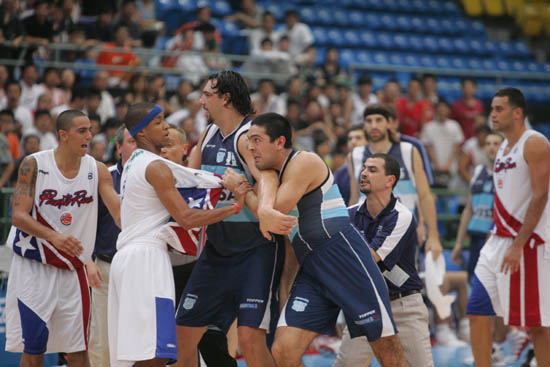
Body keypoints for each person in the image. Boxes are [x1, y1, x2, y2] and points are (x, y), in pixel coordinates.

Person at [224, 112, 406, 367]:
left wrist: (242, 189)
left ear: (279, 142)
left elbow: (274, 215)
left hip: (344, 257)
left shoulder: (304, 161)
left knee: (387, 351)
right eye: (248, 142)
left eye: (256, 140)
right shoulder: (273, 174)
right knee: (284, 351)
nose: (250, 147)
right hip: (312, 266)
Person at [107, 101, 250, 367]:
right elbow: (186, 217)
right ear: (141, 132)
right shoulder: (155, 166)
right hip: (145, 258)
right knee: (159, 352)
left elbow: (189, 178)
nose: (165, 126)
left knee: (146, 352)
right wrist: (234, 206)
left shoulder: (133, 164)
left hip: (129, 257)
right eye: (158, 122)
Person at [175, 71, 295, 367]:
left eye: (206, 95)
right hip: (215, 250)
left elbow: (266, 176)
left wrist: (264, 206)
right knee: (181, 337)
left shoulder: (246, 137)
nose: (201, 101)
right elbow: (192, 181)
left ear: (225, 98)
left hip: (254, 251)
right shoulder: (208, 134)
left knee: (249, 340)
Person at [5, 110, 121, 367]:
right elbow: (18, 216)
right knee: (34, 350)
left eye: (90, 130)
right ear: (63, 135)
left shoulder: (97, 170)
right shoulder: (34, 164)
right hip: (35, 268)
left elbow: (119, 213)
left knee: (79, 349)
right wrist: (54, 237)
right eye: (82, 131)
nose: (89, 136)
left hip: (73, 271)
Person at [467, 88, 550, 367]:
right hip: (497, 240)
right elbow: (508, 195)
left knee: (538, 323)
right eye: (491, 108)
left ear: (517, 112)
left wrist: (517, 244)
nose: (492, 114)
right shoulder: (502, 147)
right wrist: (496, 226)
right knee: (477, 309)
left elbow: (540, 196)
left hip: (528, 242)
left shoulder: (535, 143)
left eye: (499, 109)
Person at [334, 153, 432, 367]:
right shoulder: (348, 215)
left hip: (403, 304)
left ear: (390, 181)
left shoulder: (402, 215)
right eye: (364, 169)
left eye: (372, 170)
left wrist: (341, 256)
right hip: (366, 303)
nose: (364, 173)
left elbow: (371, 259)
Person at [160, 125, 238, 367]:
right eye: (160, 145)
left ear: (184, 149)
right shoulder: (146, 177)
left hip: (197, 266)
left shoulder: (199, 179)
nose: (163, 150)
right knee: (173, 345)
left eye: (169, 145)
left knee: (210, 340)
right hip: (159, 268)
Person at [348, 105, 443, 259]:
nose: (373, 125)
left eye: (379, 120)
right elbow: (354, 198)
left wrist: (431, 233)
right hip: (367, 230)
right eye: (369, 121)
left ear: (389, 123)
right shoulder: (355, 155)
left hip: (403, 228)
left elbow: (425, 195)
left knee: (404, 279)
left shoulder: (408, 151)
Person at [88, 126, 137, 367]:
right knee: (101, 340)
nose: (137, 146)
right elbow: (85, 225)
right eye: (131, 141)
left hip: (141, 269)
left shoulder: (156, 176)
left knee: (139, 338)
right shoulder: (102, 177)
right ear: (118, 147)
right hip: (105, 267)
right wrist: (88, 261)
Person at [452, 131, 504, 279]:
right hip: (476, 238)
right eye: (488, 144)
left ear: (504, 147)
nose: (491, 147)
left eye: (496, 143)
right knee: (473, 281)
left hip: (496, 240)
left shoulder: (507, 173)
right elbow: (469, 209)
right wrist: (459, 243)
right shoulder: (478, 171)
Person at [334, 126, 368, 206]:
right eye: (350, 139)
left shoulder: (379, 168)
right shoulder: (340, 173)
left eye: (358, 138)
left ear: (369, 142)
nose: (353, 142)